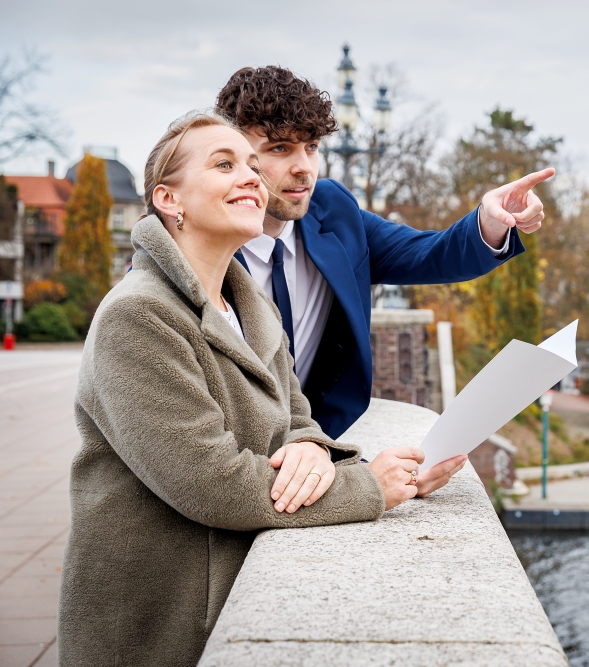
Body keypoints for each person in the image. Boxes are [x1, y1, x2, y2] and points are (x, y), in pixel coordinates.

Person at [59, 114, 425, 667]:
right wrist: (368, 487)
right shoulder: (137, 317)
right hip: (159, 626)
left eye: (253, 165)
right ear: (169, 200)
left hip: (227, 596)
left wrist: (312, 448)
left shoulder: (251, 307)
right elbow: (213, 483)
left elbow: (297, 420)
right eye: (225, 165)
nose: (252, 177)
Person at [214, 67, 554, 497]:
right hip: (233, 466)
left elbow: (427, 255)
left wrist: (489, 221)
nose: (304, 168)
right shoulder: (193, 246)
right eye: (280, 148)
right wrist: (365, 483)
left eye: (312, 147)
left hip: (318, 448)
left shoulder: (333, 210)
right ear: (230, 155)